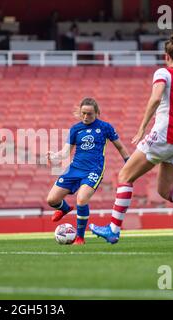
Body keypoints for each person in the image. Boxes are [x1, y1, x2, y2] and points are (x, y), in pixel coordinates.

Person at [90, 29, 173, 246]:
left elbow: (155, 98)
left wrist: (142, 128)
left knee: (124, 176)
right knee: (165, 190)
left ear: (167, 56)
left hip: (164, 134)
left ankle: (113, 230)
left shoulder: (163, 73)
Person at [46, 98, 130, 245]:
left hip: (93, 170)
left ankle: (80, 238)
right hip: (74, 169)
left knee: (82, 199)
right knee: (52, 200)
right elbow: (66, 152)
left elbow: (121, 147)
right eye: (83, 113)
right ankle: (65, 209)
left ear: (97, 113)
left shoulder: (105, 127)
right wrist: (54, 156)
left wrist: (129, 163)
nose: (86, 117)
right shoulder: (75, 129)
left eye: (89, 114)